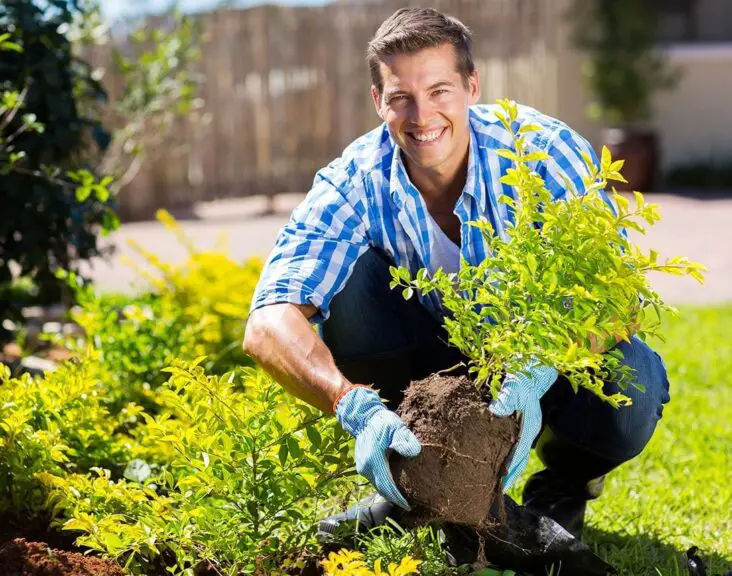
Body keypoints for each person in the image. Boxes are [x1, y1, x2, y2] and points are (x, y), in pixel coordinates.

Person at [243, 6, 670, 561]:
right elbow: (267, 321)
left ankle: (562, 486)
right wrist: (352, 405)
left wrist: (539, 367)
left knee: (630, 385)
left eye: (439, 90)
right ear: (379, 102)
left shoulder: (540, 152)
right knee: (346, 287)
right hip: (426, 375)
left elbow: (615, 297)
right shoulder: (353, 180)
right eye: (401, 97)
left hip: (538, 361)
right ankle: (419, 481)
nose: (422, 116)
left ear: (471, 86)